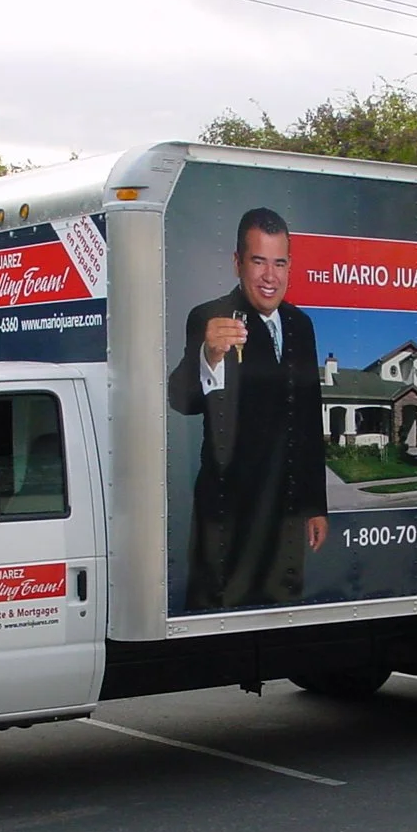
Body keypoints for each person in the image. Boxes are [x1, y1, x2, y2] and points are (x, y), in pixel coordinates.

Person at [167, 207, 328, 610]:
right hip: (228, 514)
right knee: (219, 620)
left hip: (287, 514)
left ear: (290, 266)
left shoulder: (301, 325)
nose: (270, 276)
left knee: (278, 622)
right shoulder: (210, 318)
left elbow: (309, 420)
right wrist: (209, 357)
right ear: (238, 263)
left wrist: (315, 507)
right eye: (258, 262)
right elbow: (182, 401)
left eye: (279, 263)